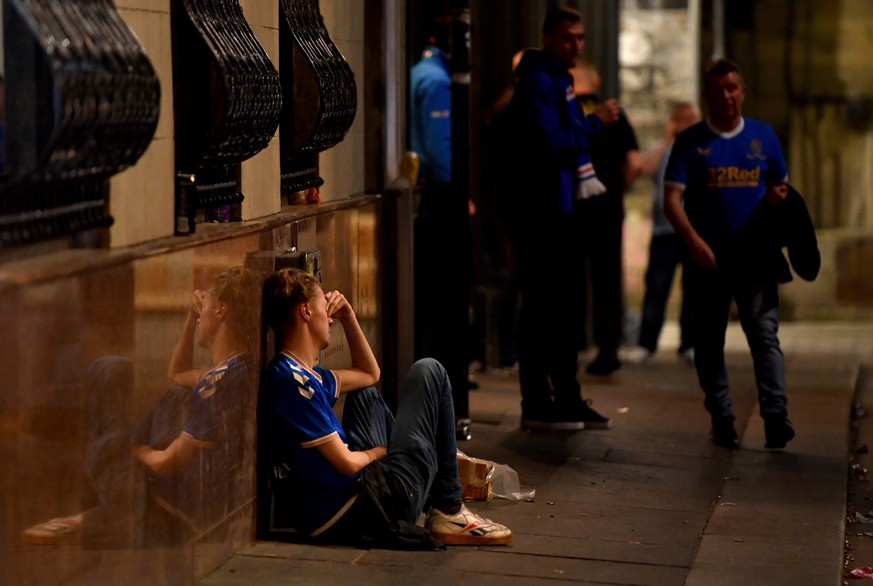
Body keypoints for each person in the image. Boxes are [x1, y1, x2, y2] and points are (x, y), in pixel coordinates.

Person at [259, 268, 512, 548]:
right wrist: (385, 452)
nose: (330, 318)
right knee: (429, 371)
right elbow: (347, 464)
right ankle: (450, 509)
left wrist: (350, 317)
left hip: (354, 497)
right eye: (324, 309)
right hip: (359, 509)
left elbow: (370, 374)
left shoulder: (304, 374)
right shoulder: (294, 382)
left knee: (363, 393)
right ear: (305, 311)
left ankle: (434, 476)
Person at [23, 266, 261, 545]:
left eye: (204, 303)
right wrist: (189, 318)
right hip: (170, 494)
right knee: (167, 388)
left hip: (171, 507)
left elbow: (169, 462)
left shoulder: (220, 384)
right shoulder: (238, 369)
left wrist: (134, 451)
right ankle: (101, 515)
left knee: (107, 372)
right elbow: (178, 372)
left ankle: (109, 507)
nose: (199, 313)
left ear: (221, 311)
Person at [664, 59, 795, 449]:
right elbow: (672, 199)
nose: (726, 97)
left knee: (764, 334)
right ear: (708, 96)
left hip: (755, 258)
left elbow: (782, 190)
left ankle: (776, 416)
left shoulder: (763, 137)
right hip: (708, 260)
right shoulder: (691, 142)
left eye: (732, 88)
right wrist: (693, 241)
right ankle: (721, 417)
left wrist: (777, 202)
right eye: (718, 90)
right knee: (708, 341)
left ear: (743, 91)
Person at [507, 6, 619, 430]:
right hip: (543, 213)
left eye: (581, 37)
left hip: (561, 208)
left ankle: (565, 397)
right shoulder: (539, 82)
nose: (577, 45)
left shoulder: (558, 80)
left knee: (562, 309)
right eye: (568, 37)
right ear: (549, 38)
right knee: (545, 310)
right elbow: (550, 143)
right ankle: (538, 402)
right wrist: (596, 123)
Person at [410, 15, 472, 434]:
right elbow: (439, 147)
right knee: (442, 300)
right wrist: (459, 195)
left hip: (427, 195)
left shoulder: (423, 72)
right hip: (439, 198)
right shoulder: (437, 80)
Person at [571, 59, 642, 376]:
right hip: (607, 206)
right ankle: (608, 348)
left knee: (571, 278)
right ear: (596, 80)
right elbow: (635, 163)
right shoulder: (614, 113)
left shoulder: (567, 112)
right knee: (607, 278)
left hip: (572, 205)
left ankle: (573, 345)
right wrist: (615, 189)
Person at [627, 102, 702, 365]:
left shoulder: (706, 147)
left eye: (692, 119)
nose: (687, 124)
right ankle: (647, 344)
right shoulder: (663, 149)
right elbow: (642, 170)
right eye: (682, 119)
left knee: (695, 290)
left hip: (695, 230)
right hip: (664, 230)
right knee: (657, 289)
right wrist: (668, 140)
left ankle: (690, 344)